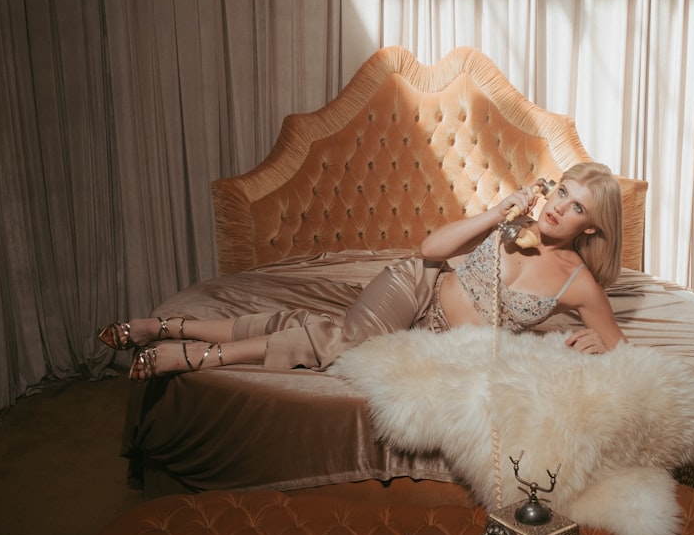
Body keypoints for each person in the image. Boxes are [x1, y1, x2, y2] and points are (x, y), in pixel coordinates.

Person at [98, 162, 628, 379]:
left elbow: (622, 350)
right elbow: (429, 247)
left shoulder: (576, 282)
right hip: (417, 287)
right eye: (561, 191)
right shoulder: (513, 223)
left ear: (590, 227)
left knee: (315, 331)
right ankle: (200, 357)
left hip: (436, 341)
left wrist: (602, 347)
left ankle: (166, 327)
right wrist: (499, 210)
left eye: (577, 207)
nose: (559, 207)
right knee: (348, 344)